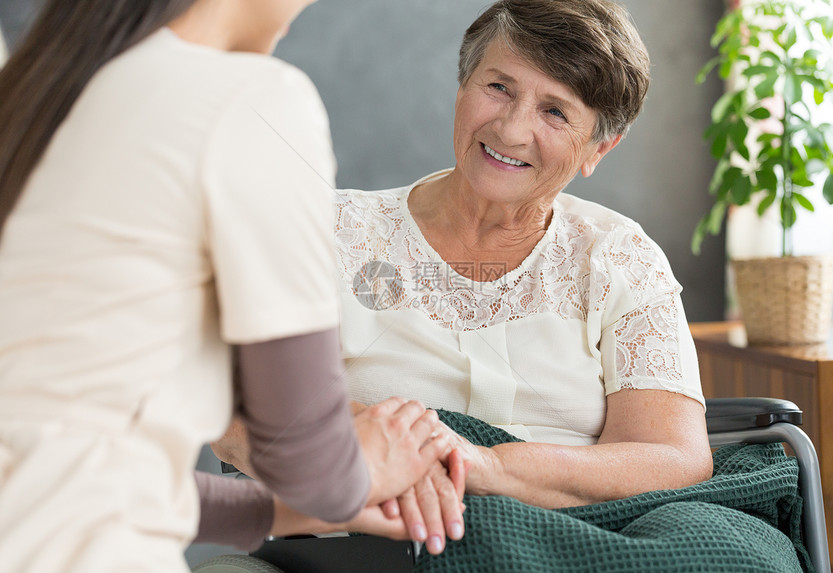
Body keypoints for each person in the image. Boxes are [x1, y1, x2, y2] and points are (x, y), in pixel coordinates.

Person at [214, 0, 715, 556]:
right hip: (359, 544)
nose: (511, 127)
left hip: (574, 546)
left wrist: (486, 466)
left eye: (555, 111)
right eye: (499, 87)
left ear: (599, 146)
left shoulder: (622, 258)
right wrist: (381, 460)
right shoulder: (330, 230)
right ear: (462, 85)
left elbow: (672, 455)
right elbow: (236, 409)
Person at [0, 1, 464, 571]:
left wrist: (277, 512)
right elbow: (312, 467)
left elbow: (69, 469)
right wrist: (378, 455)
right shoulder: (255, 101)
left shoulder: (35, 91)